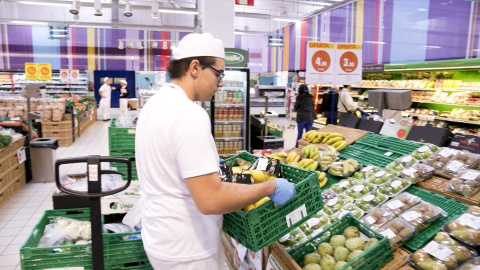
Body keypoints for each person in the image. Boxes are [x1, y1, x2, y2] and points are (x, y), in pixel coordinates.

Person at [134, 33, 296, 270]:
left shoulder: (156, 103)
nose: (220, 83)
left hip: (160, 235)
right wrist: (270, 187)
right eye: (218, 73)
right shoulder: (189, 114)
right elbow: (211, 200)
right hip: (188, 248)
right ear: (195, 67)